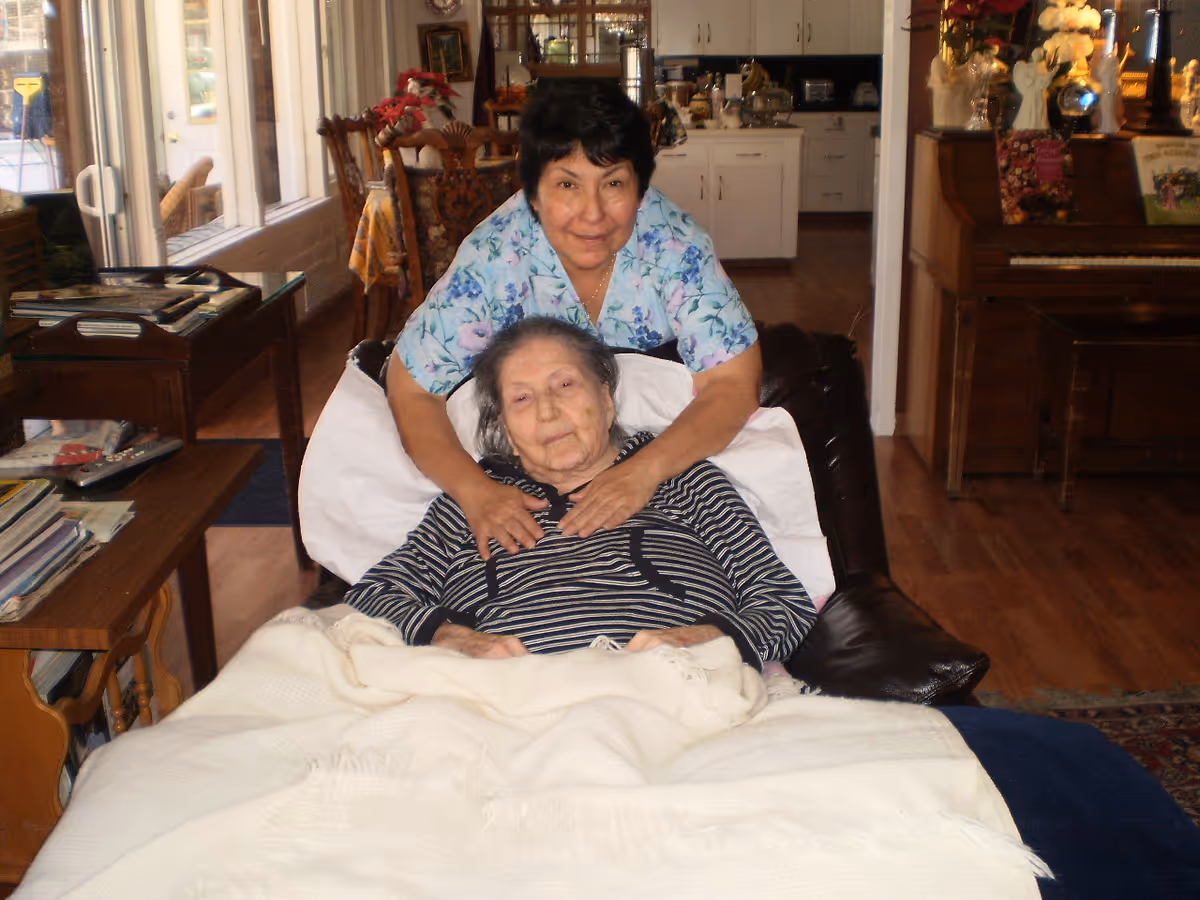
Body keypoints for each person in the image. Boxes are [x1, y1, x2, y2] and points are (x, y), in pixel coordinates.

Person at [387, 78, 763, 562]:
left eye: (613, 184)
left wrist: (644, 471)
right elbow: (411, 387)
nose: (593, 215)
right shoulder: (495, 257)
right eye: (567, 184)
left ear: (640, 187)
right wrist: (475, 491)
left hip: (654, 438)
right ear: (533, 194)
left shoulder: (675, 245)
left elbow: (734, 382)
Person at [348, 318, 814, 665]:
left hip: (668, 696)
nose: (548, 412)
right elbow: (373, 597)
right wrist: (458, 639)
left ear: (607, 401)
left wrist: (702, 640)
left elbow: (782, 602)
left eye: (565, 385)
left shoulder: (687, 481)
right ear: (506, 430)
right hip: (505, 711)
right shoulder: (469, 504)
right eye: (522, 399)